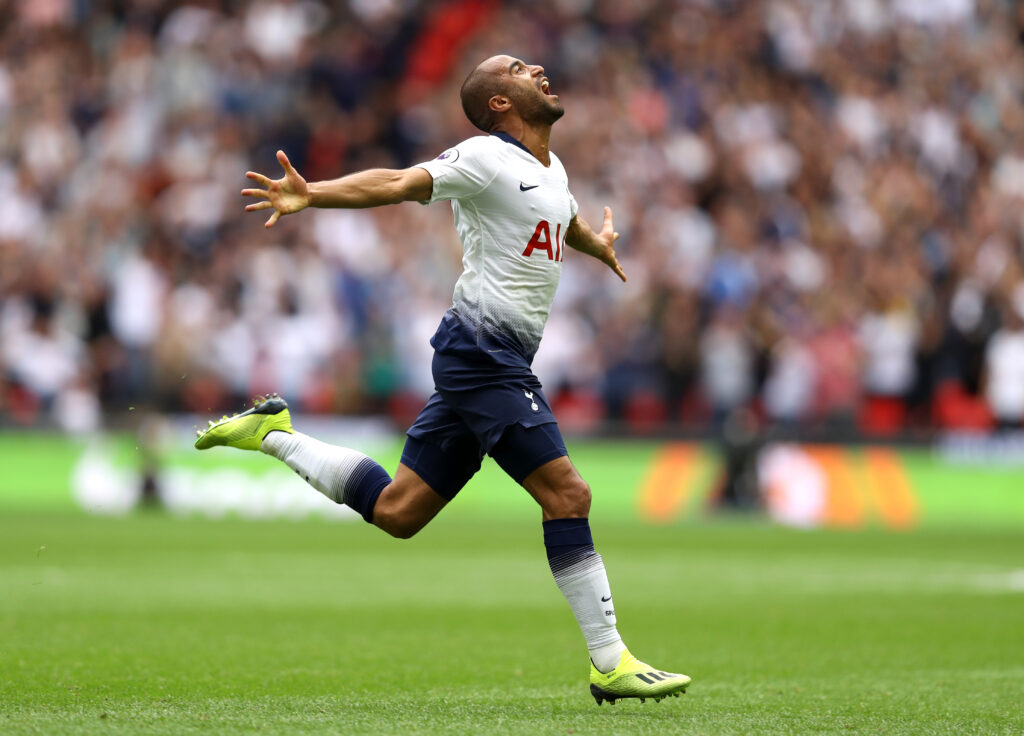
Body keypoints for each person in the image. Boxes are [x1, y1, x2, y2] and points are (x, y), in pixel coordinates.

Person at [195, 54, 691, 705]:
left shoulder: (552, 169)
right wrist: (313, 194)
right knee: (568, 494)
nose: (536, 66)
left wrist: (591, 243)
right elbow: (400, 181)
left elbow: (557, 216)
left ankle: (274, 433)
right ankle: (610, 659)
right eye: (517, 68)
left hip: (489, 358)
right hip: (484, 353)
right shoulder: (485, 158)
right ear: (498, 105)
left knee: (400, 512)